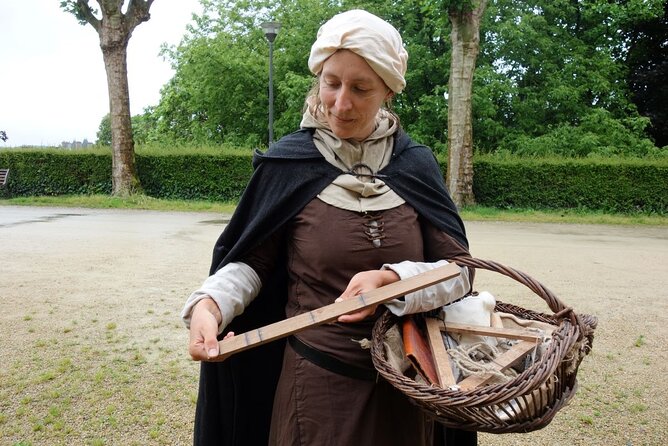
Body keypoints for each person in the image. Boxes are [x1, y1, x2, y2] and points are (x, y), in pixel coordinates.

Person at [182, 9, 478, 446]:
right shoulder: (289, 163)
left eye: (360, 88)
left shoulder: (415, 165)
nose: (341, 103)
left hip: (407, 386)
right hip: (317, 392)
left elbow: (460, 272)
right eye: (332, 83)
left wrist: (392, 280)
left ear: (388, 91)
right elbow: (251, 263)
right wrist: (210, 304)